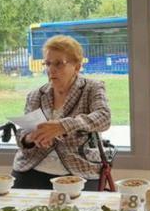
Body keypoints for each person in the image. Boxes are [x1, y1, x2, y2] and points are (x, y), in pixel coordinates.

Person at [12, 35, 111, 190]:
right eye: (48, 63)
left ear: (77, 67)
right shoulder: (36, 95)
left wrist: (63, 126)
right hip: (32, 167)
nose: (51, 69)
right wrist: (32, 137)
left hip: (79, 169)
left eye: (59, 64)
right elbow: (22, 134)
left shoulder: (92, 88)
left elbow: (103, 118)